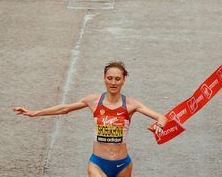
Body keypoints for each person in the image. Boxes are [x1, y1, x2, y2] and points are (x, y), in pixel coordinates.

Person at [13, 61, 167, 177]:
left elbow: (162, 117)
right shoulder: (93, 101)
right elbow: (64, 108)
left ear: (123, 80)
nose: (113, 82)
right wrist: (35, 112)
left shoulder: (131, 104)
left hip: (123, 164)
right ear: (104, 78)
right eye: (110, 78)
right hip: (98, 163)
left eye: (117, 79)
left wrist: (159, 125)